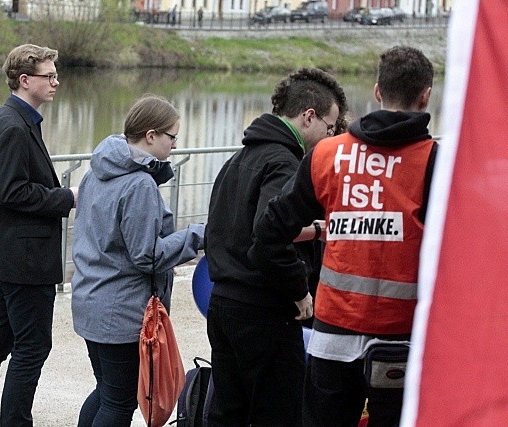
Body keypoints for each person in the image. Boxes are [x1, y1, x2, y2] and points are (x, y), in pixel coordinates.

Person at [249, 46, 437, 426]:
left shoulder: (328, 155)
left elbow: (268, 232)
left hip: (331, 339)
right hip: (399, 342)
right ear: (425, 95)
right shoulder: (433, 161)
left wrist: (301, 287)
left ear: (378, 92)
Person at [204, 68, 348, 427]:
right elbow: (267, 239)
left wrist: (312, 232)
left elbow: (223, 233)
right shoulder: (284, 163)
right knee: (278, 414)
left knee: (227, 414)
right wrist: (299, 290)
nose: (329, 137)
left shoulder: (237, 160)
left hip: (223, 305)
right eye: (330, 128)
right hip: (264, 312)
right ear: (308, 116)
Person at [0, 44, 77, 427]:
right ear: (25, 80)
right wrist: (67, 197)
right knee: (32, 347)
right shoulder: (12, 125)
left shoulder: (15, 120)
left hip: (8, 255)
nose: (56, 82)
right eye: (49, 76)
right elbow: (12, 192)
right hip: (21, 260)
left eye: (56, 75)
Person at [71, 95, 204, 426]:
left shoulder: (97, 170)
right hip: (121, 310)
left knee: (106, 392)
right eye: (172, 137)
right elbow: (148, 255)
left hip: (90, 298)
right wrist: (199, 235)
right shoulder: (139, 183)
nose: (175, 145)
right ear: (150, 135)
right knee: (119, 400)